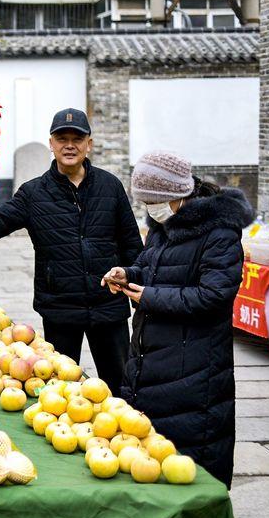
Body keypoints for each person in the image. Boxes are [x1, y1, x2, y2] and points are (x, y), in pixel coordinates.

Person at [0, 108, 143, 394]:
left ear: (89, 143)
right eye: (61, 138)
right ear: (50, 144)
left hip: (108, 305)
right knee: (60, 391)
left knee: (121, 387)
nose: (69, 145)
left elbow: (131, 244)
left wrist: (137, 285)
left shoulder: (110, 186)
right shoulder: (34, 193)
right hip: (60, 308)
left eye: (77, 138)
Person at [103, 152, 252, 488]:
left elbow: (214, 295)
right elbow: (154, 266)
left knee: (190, 461)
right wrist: (127, 273)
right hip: (152, 359)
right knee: (151, 459)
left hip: (194, 366)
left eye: (153, 200)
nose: (150, 208)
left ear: (177, 193)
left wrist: (150, 297)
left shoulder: (219, 233)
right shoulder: (165, 224)